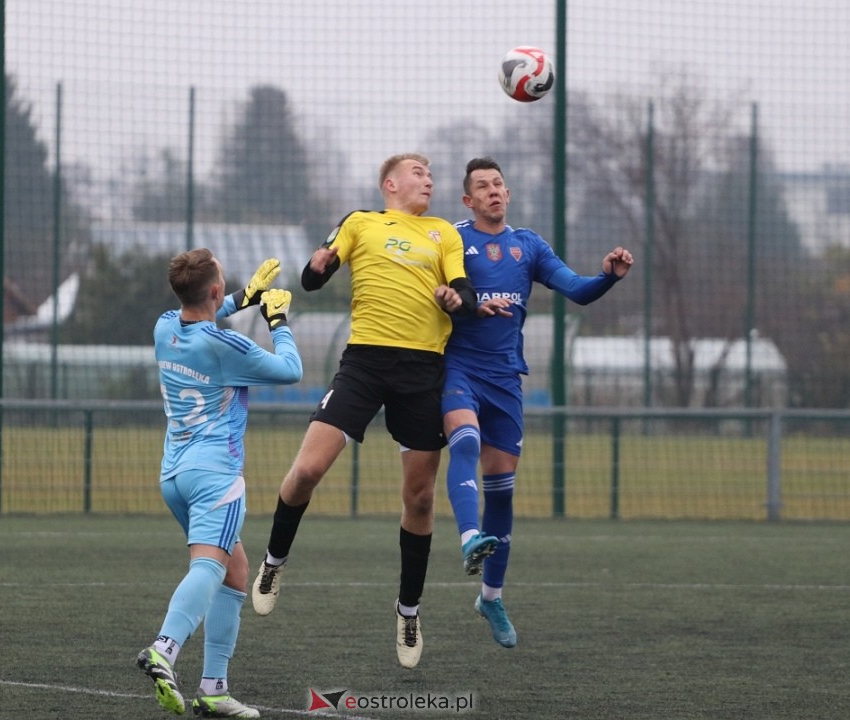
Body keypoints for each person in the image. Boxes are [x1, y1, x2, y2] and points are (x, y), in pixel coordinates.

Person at [249, 153, 477, 669]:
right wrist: (317, 264)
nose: (429, 180)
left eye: (431, 174)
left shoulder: (444, 232)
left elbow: (464, 289)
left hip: (423, 370)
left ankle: (409, 611)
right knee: (306, 468)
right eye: (419, 172)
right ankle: (273, 561)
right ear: (390, 183)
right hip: (366, 362)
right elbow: (313, 277)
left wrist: (453, 299)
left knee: (418, 500)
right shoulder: (360, 223)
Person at [443, 157, 633, 648]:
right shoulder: (452, 239)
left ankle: (491, 596)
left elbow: (577, 290)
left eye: (499, 184)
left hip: (506, 379)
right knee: (464, 438)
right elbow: (431, 294)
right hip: (458, 368)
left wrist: (607, 276)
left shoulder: (528, 245)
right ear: (468, 200)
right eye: (483, 187)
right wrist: (458, 302)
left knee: (502, 491)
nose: (494, 192)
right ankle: (468, 537)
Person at [137, 250, 302, 718]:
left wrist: (244, 297)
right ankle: (163, 649)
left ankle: (213, 688)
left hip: (174, 474)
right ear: (212, 289)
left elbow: (204, 313)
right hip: (216, 477)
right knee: (209, 567)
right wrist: (278, 318)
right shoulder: (224, 347)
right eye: (223, 283)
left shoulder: (164, 326)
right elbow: (291, 370)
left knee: (235, 571)